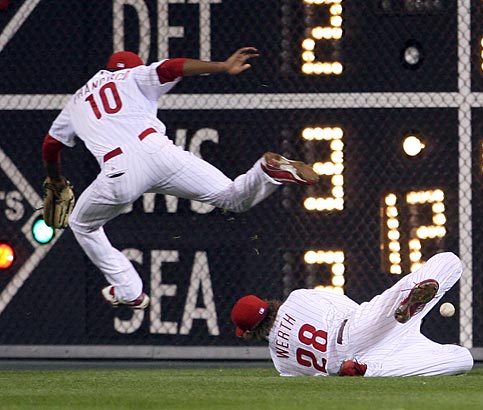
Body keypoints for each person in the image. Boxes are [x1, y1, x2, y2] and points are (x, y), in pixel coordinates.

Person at [42, 48, 319, 309]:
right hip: (161, 152)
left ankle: (128, 290)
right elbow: (171, 67)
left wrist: (55, 180)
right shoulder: (134, 75)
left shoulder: (77, 100)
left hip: (119, 169)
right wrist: (222, 66)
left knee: (82, 223)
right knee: (233, 197)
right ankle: (265, 171)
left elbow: (51, 145)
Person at [231, 252, 474, 377]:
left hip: (349, 362)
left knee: (461, 360)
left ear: (251, 332)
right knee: (449, 261)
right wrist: (384, 321)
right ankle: (409, 297)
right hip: (356, 328)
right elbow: (347, 305)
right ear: (267, 303)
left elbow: (317, 376)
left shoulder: (281, 364)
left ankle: (369, 370)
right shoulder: (297, 299)